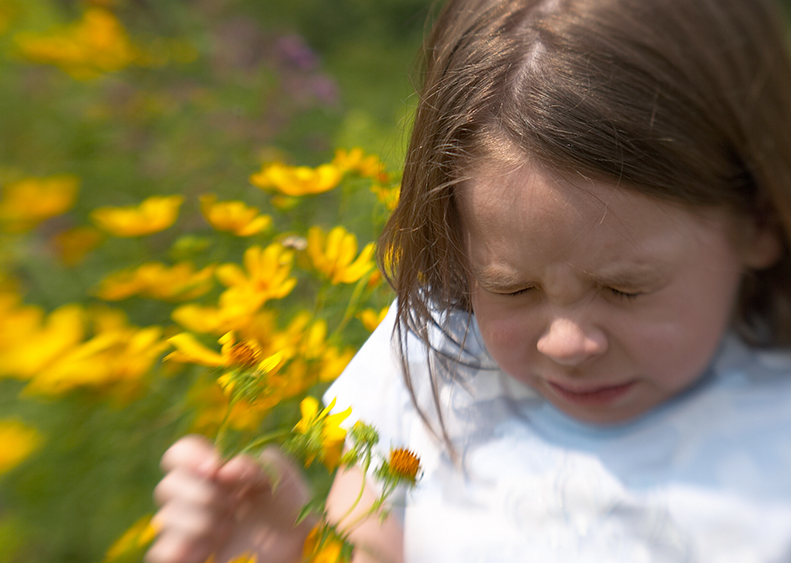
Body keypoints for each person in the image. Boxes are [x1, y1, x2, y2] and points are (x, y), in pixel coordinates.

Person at [148, 0, 791, 561]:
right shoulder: (434, 361)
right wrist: (278, 551)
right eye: (512, 289)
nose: (565, 343)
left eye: (625, 289)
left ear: (758, 217)